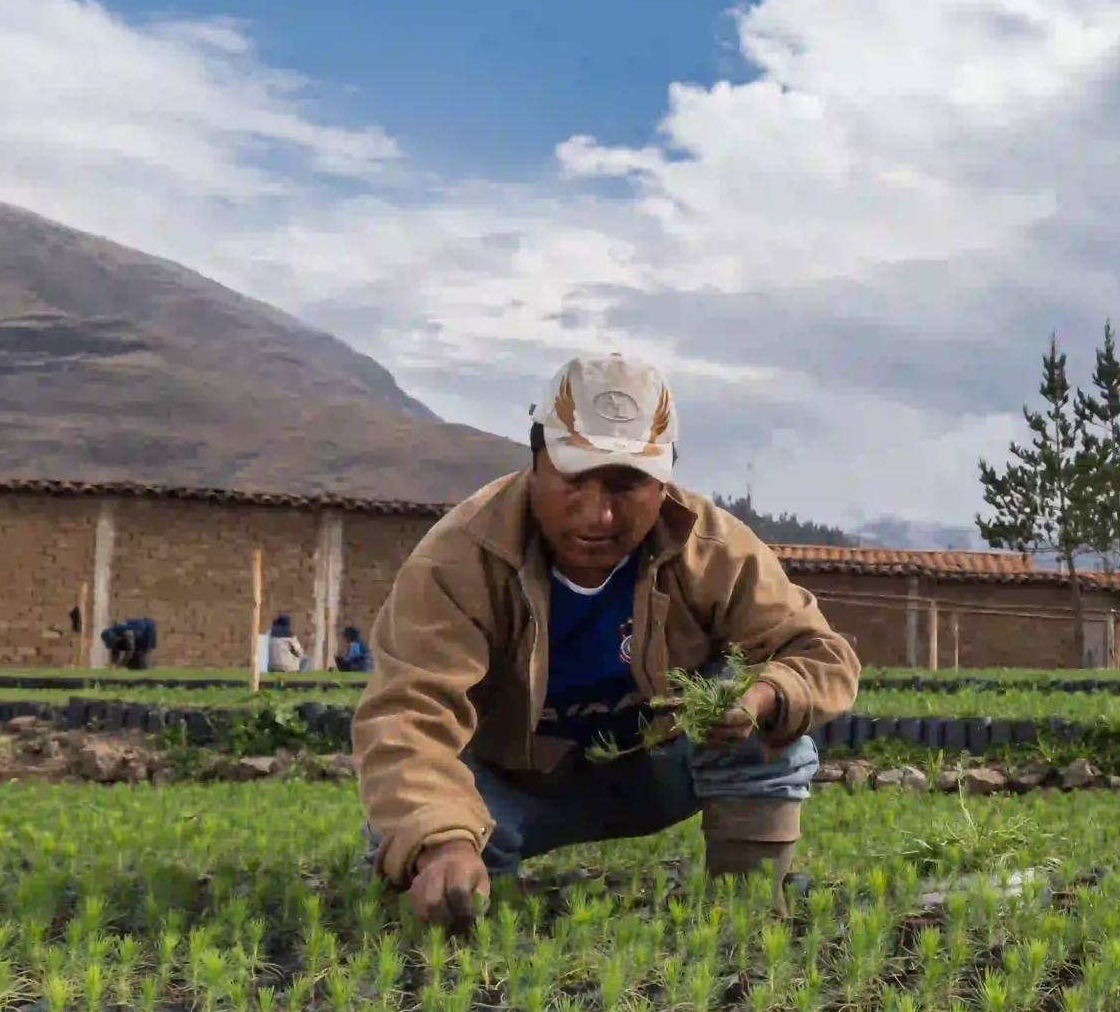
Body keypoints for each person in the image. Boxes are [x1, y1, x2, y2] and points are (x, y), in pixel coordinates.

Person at [355, 353, 860, 929]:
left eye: (627, 484)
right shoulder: (459, 560)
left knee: (770, 730)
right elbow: (408, 712)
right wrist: (443, 840)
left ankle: (746, 920)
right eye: (574, 480)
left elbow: (820, 655)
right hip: (513, 792)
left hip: (658, 772)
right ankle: (474, 894)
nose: (598, 516)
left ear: (664, 479)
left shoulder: (711, 549)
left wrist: (762, 698)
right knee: (418, 838)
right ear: (537, 461)